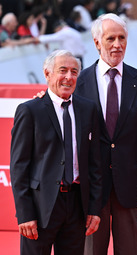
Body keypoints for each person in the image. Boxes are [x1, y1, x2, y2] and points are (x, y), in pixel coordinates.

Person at [76, 13, 137, 255]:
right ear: (96, 42)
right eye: (110, 38)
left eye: (121, 37)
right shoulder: (78, 84)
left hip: (134, 188)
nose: (117, 44)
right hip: (91, 190)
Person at [10, 50, 102, 255]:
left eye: (74, 72)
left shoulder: (88, 110)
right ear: (47, 73)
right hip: (40, 206)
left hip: (77, 206)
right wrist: (25, 214)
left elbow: (94, 163)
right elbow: (19, 167)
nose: (69, 77)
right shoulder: (30, 110)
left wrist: (94, 209)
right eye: (63, 70)